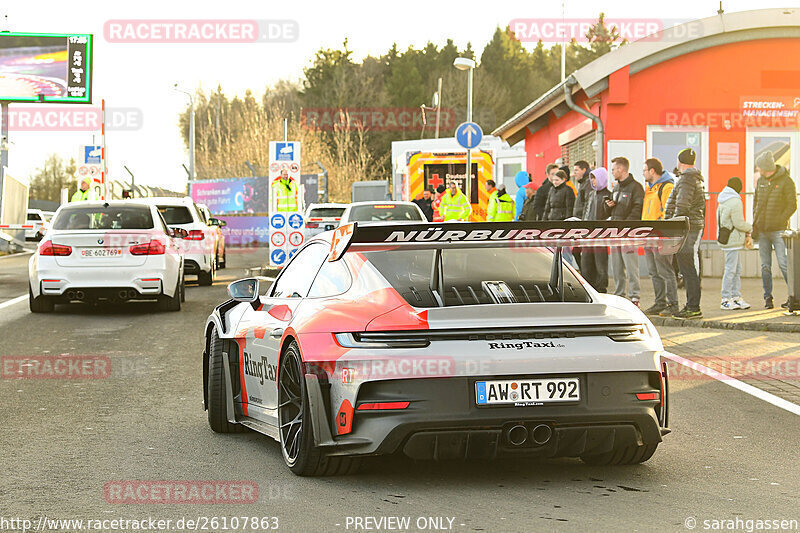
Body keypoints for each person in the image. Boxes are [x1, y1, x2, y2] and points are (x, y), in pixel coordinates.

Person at [664, 148, 706, 319]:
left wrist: (673, 226)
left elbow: (681, 206)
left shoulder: (686, 179)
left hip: (687, 228)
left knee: (688, 268)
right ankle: (692, 306)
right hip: (691, 226)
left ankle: (693, 307)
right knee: (688, 267)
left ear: (679, 162)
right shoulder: (694, 178)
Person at [752, 150, 797, 309]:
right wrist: (755, 223)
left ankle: (794, 296)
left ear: (766, 167)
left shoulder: (786, 181)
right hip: (763, 231)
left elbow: (792, 205)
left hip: (778, 230)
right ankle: (768, 298)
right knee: (765, 266)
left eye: (759, 167)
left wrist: (780, 219)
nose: (758, 170)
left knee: (785, 264)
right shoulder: (761, 181)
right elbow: (756, 203)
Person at [603, 156, 644, 306]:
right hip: (615, 232)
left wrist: (626, 227)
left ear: (621, 169)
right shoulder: (616, 187)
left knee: (631, 266)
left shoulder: (636, 187)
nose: (612, 172)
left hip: (628, 233)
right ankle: (619, 294)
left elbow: (637, 209)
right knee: (616, 266)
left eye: (613, 169)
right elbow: (613, 210)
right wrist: (609, 206)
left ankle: (635, 297)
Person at [641, 158, 679, 316]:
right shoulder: (649, 188)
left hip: (661, 237)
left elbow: (667, 213)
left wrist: (663, 236)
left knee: (665, 270)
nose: (643, 173)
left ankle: (673, 304)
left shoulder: (667, 187)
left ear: (652, 171)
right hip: (649, 236)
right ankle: (659, 302)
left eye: (644, 170)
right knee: (653, 271)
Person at [717, 177, 752, 310]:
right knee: (732, 270)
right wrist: (750, 228)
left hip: (726, 238)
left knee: (736, 269)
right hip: (733, 240)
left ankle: (736, 297)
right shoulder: (735, 201)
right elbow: (739, 223)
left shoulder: (722, 199)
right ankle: (726, 298)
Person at [580, 167, 612, 292]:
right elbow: (585, 211)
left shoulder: (608, 195)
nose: (593, 181)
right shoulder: (591, 194)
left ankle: (601, 288)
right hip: (588, 234)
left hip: (600, 235)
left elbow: (607, 215)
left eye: (595, 178)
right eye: (591, 178)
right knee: (586, 262)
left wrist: (607, 207)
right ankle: (588, 287)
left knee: (600, 264)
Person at [544, 170, 577, 268]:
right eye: (553, 180)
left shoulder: (568, 190)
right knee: (552, 249)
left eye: (557, 180)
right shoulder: (551, 190)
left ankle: (569, 268)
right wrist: (544, 220)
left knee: (565, 251)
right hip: (552, 221)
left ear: (563, 180)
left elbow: (569, 207)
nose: (555, 182)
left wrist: (567, 224)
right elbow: (547, 207)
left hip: (562, 223)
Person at [571, 160, 592, 270]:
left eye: (576, 170)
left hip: (582, 223)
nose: (574, 173)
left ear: (584, 170)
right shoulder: (583, 183)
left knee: (580, 252)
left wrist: (583, 221)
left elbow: (587, 204)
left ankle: (587, 278)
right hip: (578, 222)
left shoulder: (588, 183)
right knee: (576, 252)